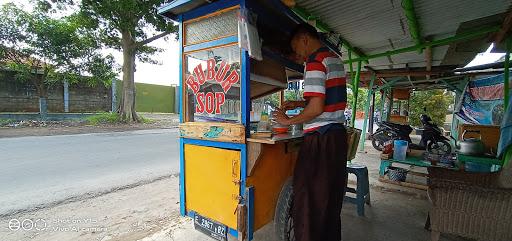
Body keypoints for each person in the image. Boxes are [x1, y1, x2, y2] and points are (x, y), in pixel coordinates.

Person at [273, 23, 348, 241]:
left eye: (296, 47)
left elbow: (316, 109)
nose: (297, 53)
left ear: (304, 39)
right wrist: (298, 101)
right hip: (335, 138)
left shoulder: (315, 62)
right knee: (329, 200)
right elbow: (328, 99)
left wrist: (288, 121)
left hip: (320, 141)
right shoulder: (333, 59)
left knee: (309, 200)